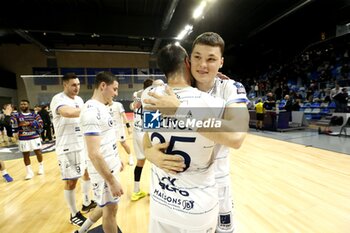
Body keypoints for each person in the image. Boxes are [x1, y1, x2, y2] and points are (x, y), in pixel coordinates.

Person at [144, 32, 249, 233]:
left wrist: (182, 112)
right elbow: (148, 136)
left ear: (221, 62)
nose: (202, 65)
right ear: (188, 60)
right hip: (175, 188)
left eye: (211, 59)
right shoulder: (171, 90)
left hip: (216, 181)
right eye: (197, 57)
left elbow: (236, 137)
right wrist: (149, 153)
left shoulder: (230, 88)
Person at [79, 71, 123, 233]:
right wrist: (112, 181)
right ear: (103, 85)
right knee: (111, 212)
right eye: (115, 89)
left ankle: (81, 230)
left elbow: (105, 142)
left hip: (110, 165)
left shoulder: (102, 107)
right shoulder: (91, 112)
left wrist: (117, 161)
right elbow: (94, 153)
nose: (116, 93)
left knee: (105, 205)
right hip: (104, 174)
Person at [50, 73, 96, 227]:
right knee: (71, 182)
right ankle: (73, 213)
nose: (77, 87)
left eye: (78, 84)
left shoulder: (79, 100)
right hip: (67, 147)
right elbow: (67, 113)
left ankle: (86, 202)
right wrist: (91, 110)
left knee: (87, 173)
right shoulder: (59, 99)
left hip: (80, 144)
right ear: (65, 85)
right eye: (73, 85)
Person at [5, 100, 44, 180]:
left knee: (38, 152)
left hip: (34, 137)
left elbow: (41, 124)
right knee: (25, 155)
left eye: (24, 104)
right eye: (21, 104)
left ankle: (41, 166)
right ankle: (29, 172)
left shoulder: (34, 114)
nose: (23, 105)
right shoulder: (16, 115)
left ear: (28, 105)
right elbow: (9, 122)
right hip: (23, 138)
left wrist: (30, 123)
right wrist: (8, 115)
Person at [129, 78, 153, 201]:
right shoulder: (151, 98)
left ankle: (136, 190)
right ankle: (155, 191)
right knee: (155, 162)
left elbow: (132, 106)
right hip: (145, 132)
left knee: (140, 162)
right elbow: (153, 122)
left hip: (136, 131)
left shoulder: (137, 94)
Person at [108, 100, 134, 166]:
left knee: (123, 144)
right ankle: (115, 160)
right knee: (111, 145)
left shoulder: (118, 105)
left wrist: (128, 127)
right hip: (110, 130)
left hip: (119, 129)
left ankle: (130, 157)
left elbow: (124, 116)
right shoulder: (104, 106)